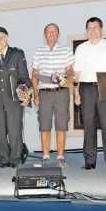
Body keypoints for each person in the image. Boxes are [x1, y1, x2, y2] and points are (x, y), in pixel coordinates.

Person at [73, 17, 106, 171]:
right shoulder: (81, 48)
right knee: (88, 125)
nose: (93, 30)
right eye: (90, 28)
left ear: (101, 28)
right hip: (86, 88)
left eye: (96, 27)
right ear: (87, 31)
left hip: (105, 84)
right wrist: (76, 93)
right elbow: (76, 74)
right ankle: (90, 161)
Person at [0, 27, 31, 168]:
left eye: (1, 38)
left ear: (7, 38)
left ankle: (16, 159)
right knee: (0, 132)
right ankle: (4, 159)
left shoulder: (17, 54)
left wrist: (27, 95)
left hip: (14, 100)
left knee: (14, 132)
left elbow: (24, 78)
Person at [32, 23, 74, 169]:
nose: (51, 34)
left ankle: (60, 157)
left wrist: (68, 79)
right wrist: (35, 95)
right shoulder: (38, 52)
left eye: (54, 31)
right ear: (44, 35)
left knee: (61, 126)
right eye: (49, 32)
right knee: (45, 126)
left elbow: (70, 70)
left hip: (61, 93)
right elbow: (35, 74)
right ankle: (45, 156)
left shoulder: (66, 50)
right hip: (44, 93)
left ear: (58, 34)